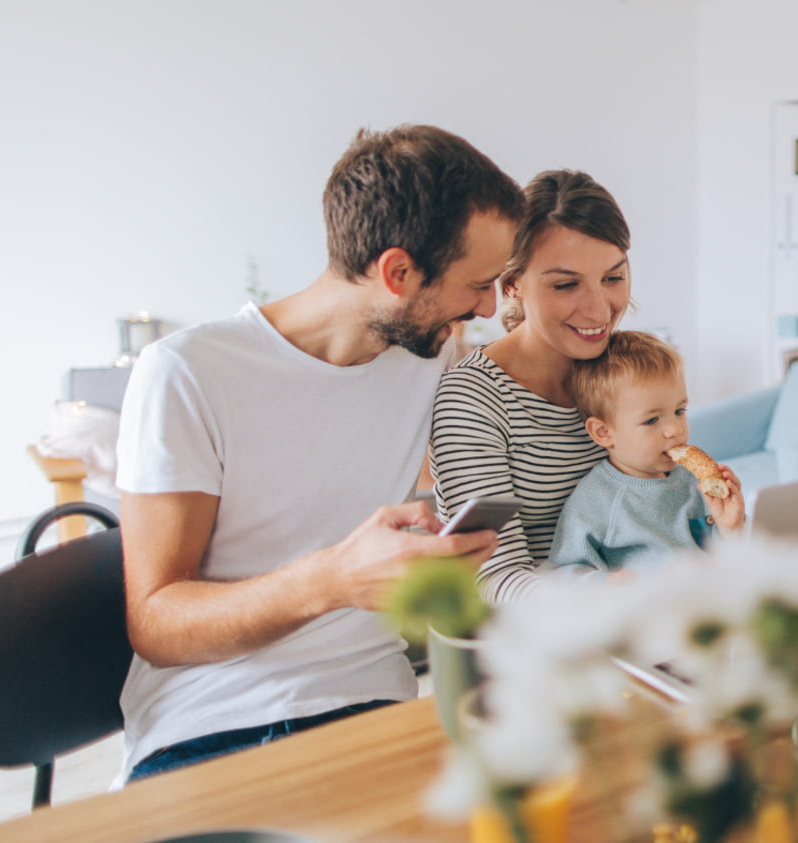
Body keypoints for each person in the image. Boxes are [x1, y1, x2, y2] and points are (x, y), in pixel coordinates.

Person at [113, 124, 523, 782]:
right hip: (214, 725)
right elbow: (156, 622)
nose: (489, 305)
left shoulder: (432, 356)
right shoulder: (187, 372)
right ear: (397, 272)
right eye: (479, 283)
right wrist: (332, 580)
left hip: (374, 709)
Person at [429, 169, 631, 604]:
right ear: (513, 284)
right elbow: (494, 578)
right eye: (566, 284)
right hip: (538, 639)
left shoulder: (627, 370)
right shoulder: (474, 399)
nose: (599, 310)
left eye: (613, 278)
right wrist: (610, 595)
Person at [541, 331, 744, 582]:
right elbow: (564, 572)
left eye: (679, 411)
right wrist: (609, 584)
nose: (675, 430)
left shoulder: (694, 482)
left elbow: (724, 556)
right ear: (604, 433)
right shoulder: (596, 500)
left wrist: (729, 528)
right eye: (652, 420)